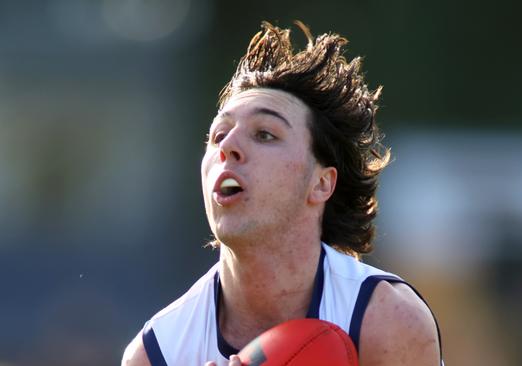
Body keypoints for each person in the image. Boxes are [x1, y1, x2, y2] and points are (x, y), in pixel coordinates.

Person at [122, 21, 442, 366]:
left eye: (264, 134)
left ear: (321, 184)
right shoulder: (157, 352)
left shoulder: (386, 318)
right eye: (218, 135)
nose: (228, 147)